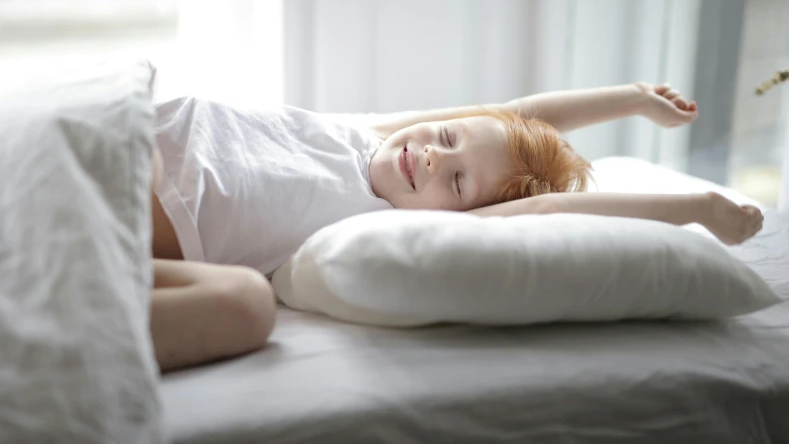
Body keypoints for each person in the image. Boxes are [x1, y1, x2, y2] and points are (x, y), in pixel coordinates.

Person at [148, 82, 764, 372]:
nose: (434, 156)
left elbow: (543, 211)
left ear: (463, 218)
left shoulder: (372, 220)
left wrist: (695, 207)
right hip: (129, 133)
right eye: (446, 138)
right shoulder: (364, 133)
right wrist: (630, 98)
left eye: (460, 182)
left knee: (246, 306)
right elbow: (512, 115)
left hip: (121, 215)